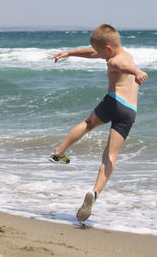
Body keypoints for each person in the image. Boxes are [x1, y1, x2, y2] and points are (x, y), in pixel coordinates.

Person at [49, 24, 148, 222]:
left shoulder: (115, 61)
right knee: (110, 155)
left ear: (108, 49)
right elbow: (94, 54)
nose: (99, 55)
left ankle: (58, 153)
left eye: (101, 52)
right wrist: (70, 53)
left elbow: (120, 66)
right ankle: (94, 193)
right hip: (129, 112)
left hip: (114, 101)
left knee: (87, 124)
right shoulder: (122, 53)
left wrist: (136, 71)